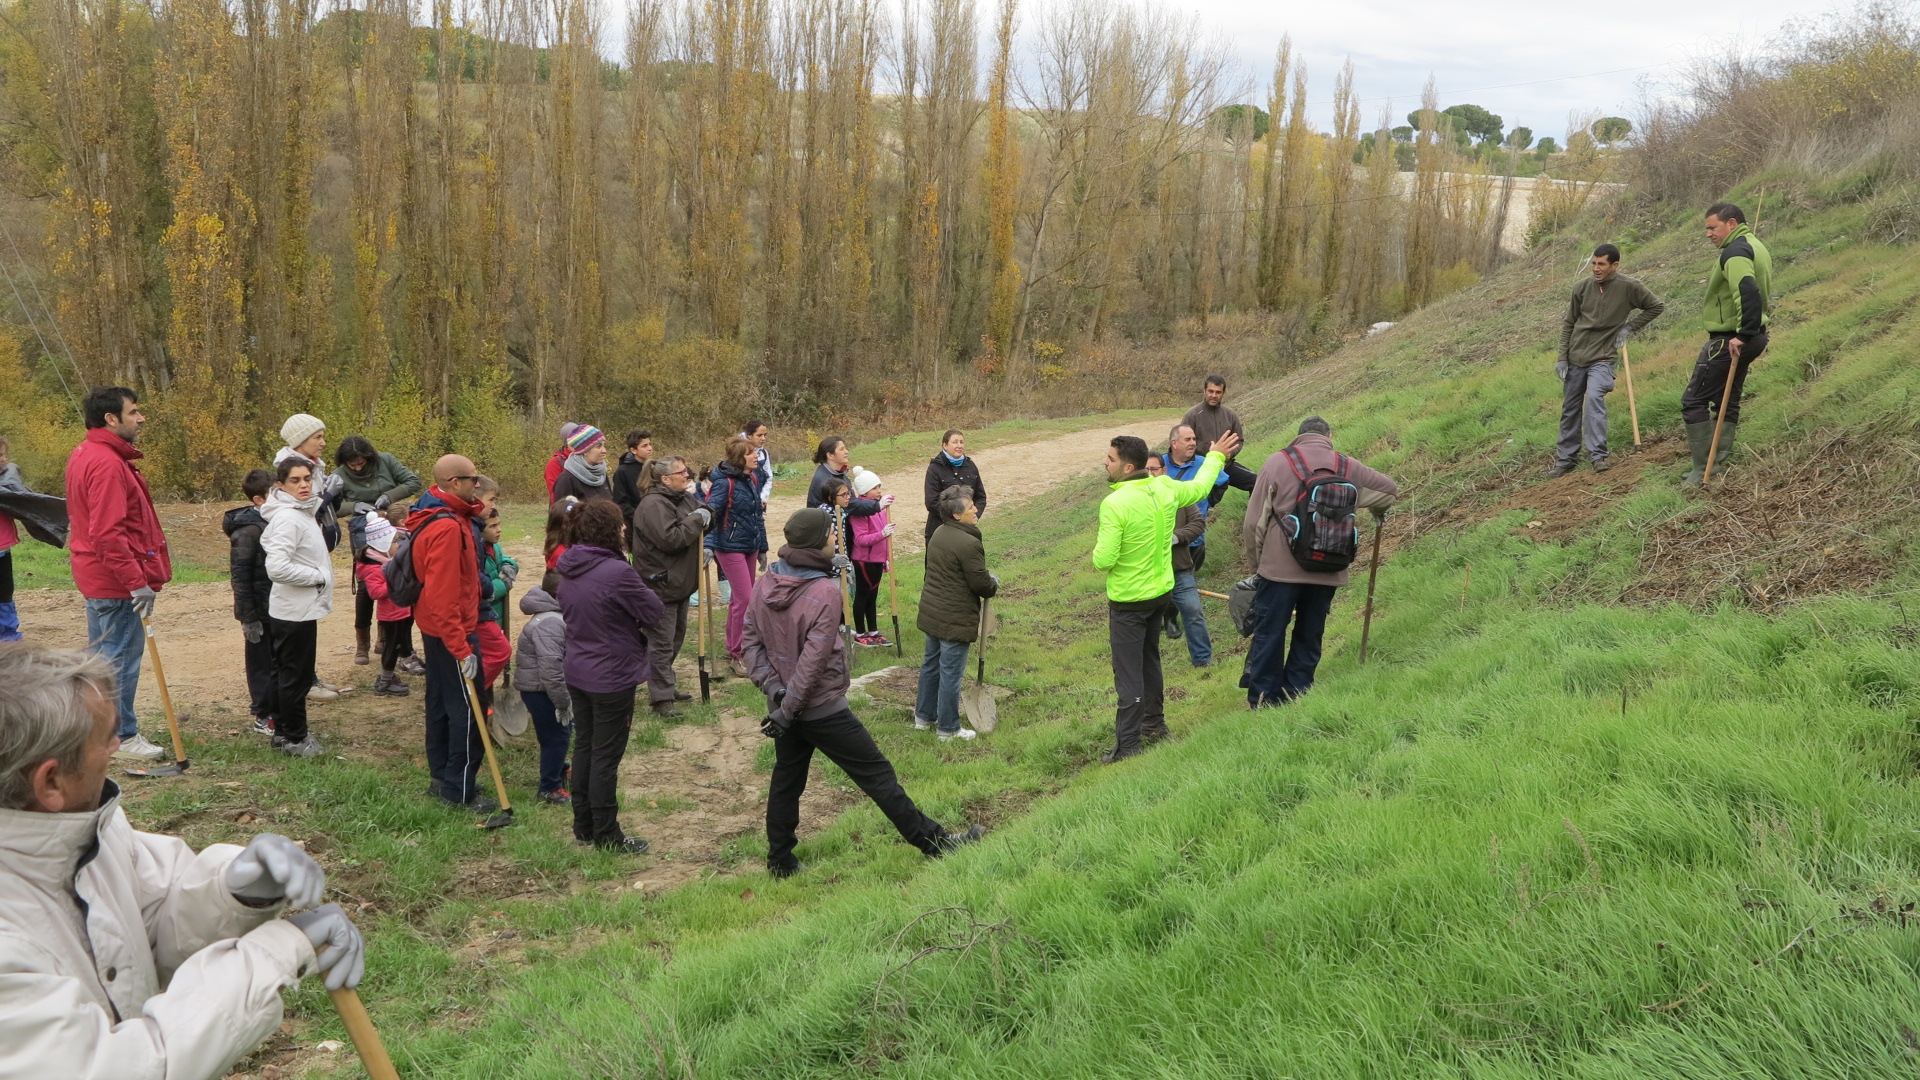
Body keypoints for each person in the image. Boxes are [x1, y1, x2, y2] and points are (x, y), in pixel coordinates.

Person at [0, 643, 366, 1078]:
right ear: (51, 781)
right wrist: (279, 951)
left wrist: (236, 891)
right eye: (106, 739)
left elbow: (148, 927)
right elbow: (116, 1068)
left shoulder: (80, 828)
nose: (117, 747)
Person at [743, 508, 986, 878]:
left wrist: (777, 696)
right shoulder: (825, 591)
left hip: (784, 708)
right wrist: (788, 703)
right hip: (820, 709)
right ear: (816, 541)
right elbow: (813, 661)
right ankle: (935, 844)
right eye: (831, 534)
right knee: (878, 777)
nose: (836, 538)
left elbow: (751, 645)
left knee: (787, 780)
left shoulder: (767, 579)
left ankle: (780, 862)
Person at [1092, 427, 1240, 762]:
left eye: (1110, 459)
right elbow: (1201, 487)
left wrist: (1103, 550)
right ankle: (1155, 726)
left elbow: (1103, 559)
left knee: (1129, 673)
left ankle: (1128, 745)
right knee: (1150, 661)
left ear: (1128, 467)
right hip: (1161, 593)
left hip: (1129, 601)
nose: (1105, 463)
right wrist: (1216, 456)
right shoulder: (1165, 486)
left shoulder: (1115, 503)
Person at [1242, 417, 1398, 708]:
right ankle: (1298, 693)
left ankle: (1264, 699)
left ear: (1298, 437)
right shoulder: (1347, 465)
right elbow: (1389, 490)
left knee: (1271, 632)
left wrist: (1257, 564)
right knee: (1310, 632)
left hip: (1279, 570)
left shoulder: (1278, 462)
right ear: (1329, 436)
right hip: (1328, 566)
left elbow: (1254, 522)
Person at [64, 386, 171, 760]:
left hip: (99, 576)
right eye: (134, 412)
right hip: (114, 581)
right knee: (118, 661)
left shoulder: (88, 452)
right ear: (111, 419)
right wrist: (136, 582)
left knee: (103, 659)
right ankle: (121, 737)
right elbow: (107, 533)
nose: (141, 418)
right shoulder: (106, 462)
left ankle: (96, 733)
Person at [554, 498, 662, 854]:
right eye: (619, 525)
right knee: (605, 756)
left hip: (578, 668)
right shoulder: (616, 572)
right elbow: (653, 611)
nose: (624, 529)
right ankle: (607, 832)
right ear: (606, 530)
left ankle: (583, 825)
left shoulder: (567, 566)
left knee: (585, 745)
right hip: (610, 675)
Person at [406, 455, 494, 812]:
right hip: (451, 631)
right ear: (454, 483)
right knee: (469, 711)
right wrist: (461, 648)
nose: (479, 482)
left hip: (439, 628)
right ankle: (459, 790)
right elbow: (441, 594)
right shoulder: (445, 528)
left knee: (442, 704)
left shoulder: (451, 517)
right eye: (473, 478)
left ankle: (442, 778)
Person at [1550, 243, 1667, 477]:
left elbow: (1656, 306)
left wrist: (1629, 328)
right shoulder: (1581, 288)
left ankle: (1597, 456)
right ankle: (1566, 459)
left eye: (1601, 264)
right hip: (1575, 357)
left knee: (1594, 398)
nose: (1595, 268)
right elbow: (1569, 324)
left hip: (1602, 357)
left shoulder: (1629, 287)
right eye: (1593, 263)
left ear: (1614, 265)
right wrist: (1562, 358)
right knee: (1570, 408)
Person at [1682, 202, 1773, 487]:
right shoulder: (1754, 244)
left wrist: (1742, 334)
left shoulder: (1735, 252)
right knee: (1726, 399)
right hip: (1756, 333)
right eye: (1707, 228)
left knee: (1693, 400)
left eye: (1712, 227)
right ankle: (1718, 460)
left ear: (1731, 223)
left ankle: (1703, 468)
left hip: (1732, 338)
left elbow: (1747, 291)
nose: (1708, 234)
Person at [259, 457, 332, 758]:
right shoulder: (288, 517)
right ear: (281, 485)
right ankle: (296, 738)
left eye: (307, 479)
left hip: (298, 609)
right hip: (294, 611)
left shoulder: (301, 512)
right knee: (295, 676)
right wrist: (317, 578)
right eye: (295, 480)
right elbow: (276, 567)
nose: (303, 485)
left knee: (285, 672)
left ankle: (281, 732)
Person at [916, 485, 998, 740]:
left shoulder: (939, 533)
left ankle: (923, 716)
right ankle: (948, 729)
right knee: (950, 673)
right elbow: (980, 584)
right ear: (955, 515)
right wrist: (992, 582)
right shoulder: (969, 542)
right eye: (970, 507)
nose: (975, 509)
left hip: (932, 611)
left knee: (931, 665)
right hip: (954, 616)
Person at [332, 435, 423, 664]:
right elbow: (329, 506)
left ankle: (386, 637)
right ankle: (362, 642)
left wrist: (389, 496)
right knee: (368, 582)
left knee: (396, 576)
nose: (357, 467)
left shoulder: (386, 461)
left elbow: (413, 482)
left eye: (361, 462)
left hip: (393, 522)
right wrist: (353, 506)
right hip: (363, 526)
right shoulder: (338, 476)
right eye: (352, 464)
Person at [630, 457, 708, 718]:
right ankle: (661, 698)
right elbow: (672, 539)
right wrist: (698, 519)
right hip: (660, 583)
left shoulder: (681, 498)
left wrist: (706, 514)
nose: (687, 475)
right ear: (665, 479)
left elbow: (704, 513)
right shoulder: (653, 505)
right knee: (661, 643)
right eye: (681, 472)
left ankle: (665, 686)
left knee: (675, 638)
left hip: (680, 582)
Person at [706, 437, 768, 678]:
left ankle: (734, 646)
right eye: (751, 453)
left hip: (749, 545)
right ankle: (738, 653)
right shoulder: (724, 483)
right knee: (745, 598)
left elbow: (756, 516)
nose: (756, 456)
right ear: (739, 457)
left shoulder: (752, 478)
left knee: (740, 600)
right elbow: (710, 515)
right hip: (728, 546)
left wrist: (762, 546)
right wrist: (709, 546)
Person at [1146, 454, 1212, 667]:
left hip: (1179, 568)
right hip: (1148, 572)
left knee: (1193, 612)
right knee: (1145, 621)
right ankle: (1144, 664)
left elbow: (1197, 523)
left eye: (1154, 469)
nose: (1150, 474)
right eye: (1145, 470)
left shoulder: (1177, 494)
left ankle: (1203, 660)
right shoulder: (1136, 499)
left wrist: (1176, 537)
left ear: (1164, 471)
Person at [224, 469, 277, 734]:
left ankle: (278, 708)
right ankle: (262, 714)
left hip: (279, 606)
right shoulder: (246, 533)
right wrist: (248, 618)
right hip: (258, 611)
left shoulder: (276, 523)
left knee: (279, 660)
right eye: (274, 494)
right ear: (259, 500)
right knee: (261, 663)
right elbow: (240, 579)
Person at [513, 573, 574, 806]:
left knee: (562, 733)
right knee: (555, 738)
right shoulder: (550, 624)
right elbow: (551, 669)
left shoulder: (555, 616)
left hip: (545, 687)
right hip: (541, 690)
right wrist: (562, 703)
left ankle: (560, 771)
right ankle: (549, 788)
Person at [356, 508, 415, 697]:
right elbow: (375, 592)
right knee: (391, 648)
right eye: (394, 542)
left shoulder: (388, 561)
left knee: (397, 645)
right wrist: (395, 584)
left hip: (401, 611)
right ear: (382, 544)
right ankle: (384, 681)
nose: (398, 546)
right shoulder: (375, 568)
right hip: (391, 615)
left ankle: (388, 677)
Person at [272, 413, 342, 553]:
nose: (323, 442)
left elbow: (329, 509)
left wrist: (337, 493)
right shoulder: (291, 471)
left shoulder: (315, 467)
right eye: (317, 437)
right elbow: (306, 512)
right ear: (300, 440)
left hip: (320, 546)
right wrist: (329, 493)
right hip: (308, 547)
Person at [1182, 376, 1255, 508]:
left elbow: (1239, 440)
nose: (1214, 395)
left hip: (1226, 465)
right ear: (1204, 391)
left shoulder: (1230, 415)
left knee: (1258, 483)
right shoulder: (1192, 415)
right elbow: (1183, 443)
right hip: (1200, 468)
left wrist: (1229, 453)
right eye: (1211, 391)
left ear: (1223, 393)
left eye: (1218, 392)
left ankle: (1254, 520)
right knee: (1196, 503)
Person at [848, 469, 895, 648]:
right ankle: (860, 632)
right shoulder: (859, 511)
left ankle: (873, 631)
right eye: (875, 487)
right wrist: (882, 533)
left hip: (877, 559)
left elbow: (885, 537)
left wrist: (886, 557)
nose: (879, 490)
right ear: (864, 491)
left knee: (873, 595)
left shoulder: (881, 508)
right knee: (862, 595)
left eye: (879, 486)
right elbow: (860, 539)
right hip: (864, 560)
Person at [477, 505, 519, 694]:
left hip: (498, 614)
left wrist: (510, 565)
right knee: (492, 653)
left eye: (499, 524)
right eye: (492, 526)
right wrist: (504, 584)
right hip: (486, 614)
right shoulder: (478, 555)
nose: (498, 529)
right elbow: (486, 589)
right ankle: (477, 690)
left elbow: (506, 559)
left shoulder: (495, 546)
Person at [807, 436, 893, 523]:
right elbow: (850, 504)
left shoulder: (838, 473)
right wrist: (877, 505)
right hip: (828, 529)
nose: (846, 452)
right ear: (830, 455)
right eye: (842, 449)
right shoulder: (826, 480)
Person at [921, 429, 986, 540]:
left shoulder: (970, 466)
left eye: (961, 442)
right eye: (955, 442)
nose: (959, 445)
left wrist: (971, 516)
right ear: (945, 445)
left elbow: (981, 497)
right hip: (939, 529)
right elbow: (931, 502)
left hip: (967, 530)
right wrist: (955, 519)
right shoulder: (935, 468)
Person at [551, 424, 612, 504]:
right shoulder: (567, 480)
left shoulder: (601, 474)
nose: (604, 450)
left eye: (604, 446)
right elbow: (561, 514)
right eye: (598, 446)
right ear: (585, 451)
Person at [612, 428, 654, 533]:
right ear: (633, 450)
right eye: (644, 446)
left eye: (649, 444)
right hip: (634, 526)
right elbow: (620, 502)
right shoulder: (623, 472)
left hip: (654, 520)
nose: (650, 448)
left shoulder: (653, 467)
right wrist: (639, 517)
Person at [543, 421, 582, 502]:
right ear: (566, 442)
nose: (577, 442)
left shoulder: (587, 459)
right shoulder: (555, 463)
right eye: (572, 439)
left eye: (579, 438)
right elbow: (555, 493)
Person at [740, 419, 773, 506]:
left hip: (759, 503)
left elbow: (768, 477)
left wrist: (763, 497)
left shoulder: (764, 453)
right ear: (749, 435)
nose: (763, 438)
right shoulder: (738, 452)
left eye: (765, 435)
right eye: (759, 435)